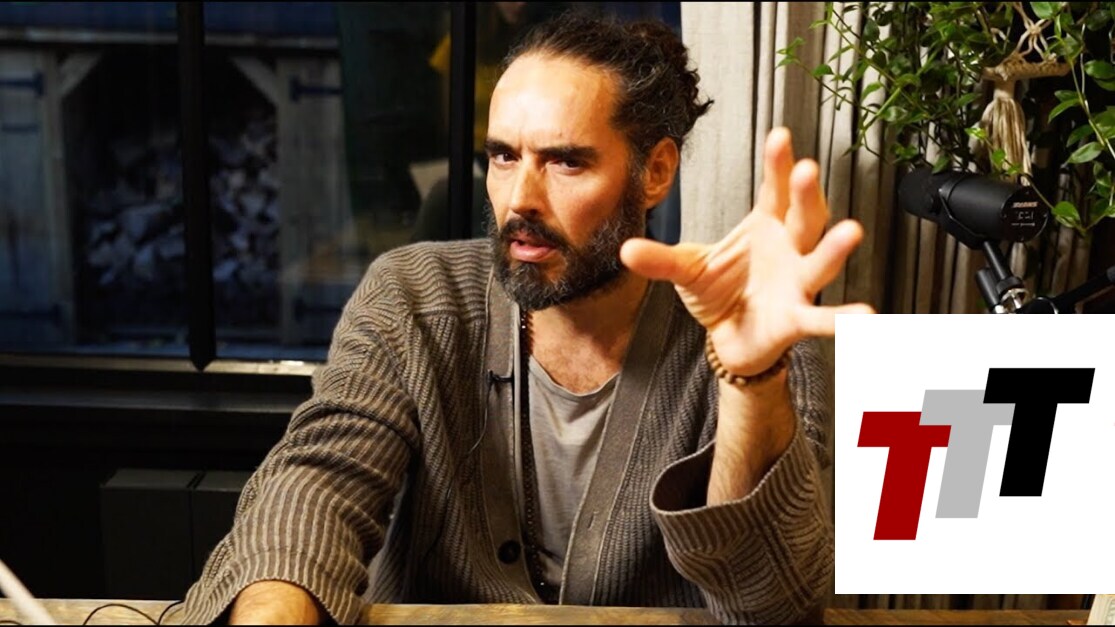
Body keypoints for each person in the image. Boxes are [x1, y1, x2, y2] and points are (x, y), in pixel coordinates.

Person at [179, 11, 872, 626]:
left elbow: (773, 606)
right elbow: (316, 486)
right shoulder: (413, 297)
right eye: (503, 156)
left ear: (655, 172)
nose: (519, 199)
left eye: (566, 162)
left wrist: (750, 377)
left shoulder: (757, 330)